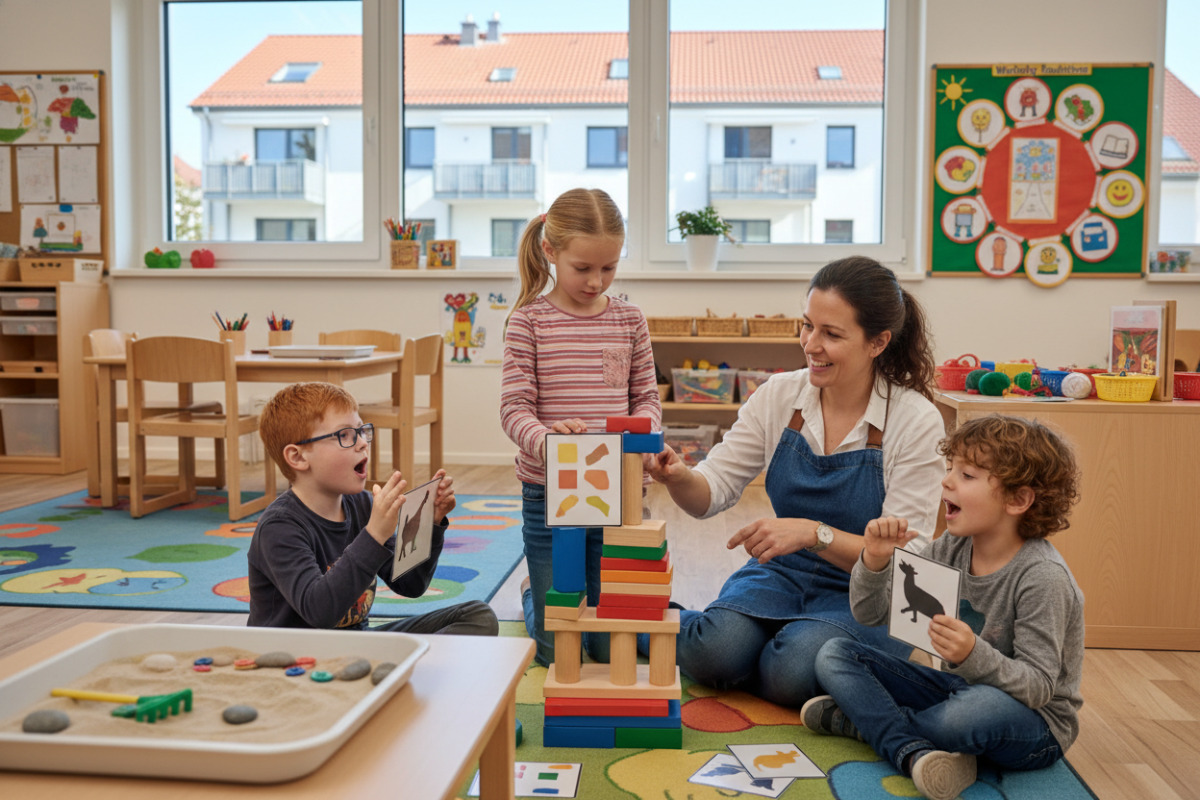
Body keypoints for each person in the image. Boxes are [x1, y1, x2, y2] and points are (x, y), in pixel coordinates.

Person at [642, 256, 945, 707]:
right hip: (784, 571)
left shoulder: (915, 420)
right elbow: (711, 493)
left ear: (878, 342)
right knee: (715, 651)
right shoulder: (780, 395)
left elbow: (908, 561)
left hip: (871, 594)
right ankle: (640, 623)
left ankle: (771, 657)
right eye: (807, 326)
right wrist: (679, 475)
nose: (811, 345)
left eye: (832, 334)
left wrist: (813, 534)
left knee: (792, 669)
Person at [804, 414, 1083, 800]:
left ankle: (872, 726)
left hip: (1034, 723)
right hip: (959, 690)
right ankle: (913, 747)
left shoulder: (1043, 577)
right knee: (835, 654)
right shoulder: (951, 546)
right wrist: (874, 561)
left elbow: (1038, 688)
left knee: (969, 714)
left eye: (966, 475)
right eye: (950, 468)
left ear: (1018, 500)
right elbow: (869, 615)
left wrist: (972, 654)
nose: (946, 481)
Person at [500, 188, 662, 666]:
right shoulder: (528, 323)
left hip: (617, 491)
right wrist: (547, 441)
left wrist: (645, 435)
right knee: (556, 651)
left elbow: (647, 398)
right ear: (550, 251)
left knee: (607, 646)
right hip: (549, 492)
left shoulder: (630, 319)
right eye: (583, 268)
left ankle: (553, 597)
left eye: (609, 267)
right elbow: (514, 408)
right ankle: (532, 595)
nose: (596, 281)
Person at [248, 381, 498, 635]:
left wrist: (428, 525)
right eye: (344, 435)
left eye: (361, 431)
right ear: (298, 457)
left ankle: (402, 660)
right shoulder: (279, 527)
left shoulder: (362, 505)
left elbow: (410, 584)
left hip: (360, 646)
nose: (362, 443)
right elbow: (320, 611)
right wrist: (374, 535)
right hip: (298, 653)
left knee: (478, 616)